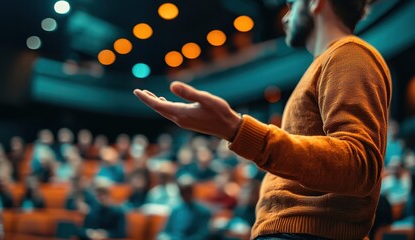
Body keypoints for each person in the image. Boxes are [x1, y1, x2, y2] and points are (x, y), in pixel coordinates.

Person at [133, 0, 392, 238]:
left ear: (315, 2)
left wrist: (236, 129)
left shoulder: (349, 53)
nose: (284, 17)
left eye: (291, 4)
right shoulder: (327, 63)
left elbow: (360, 166)